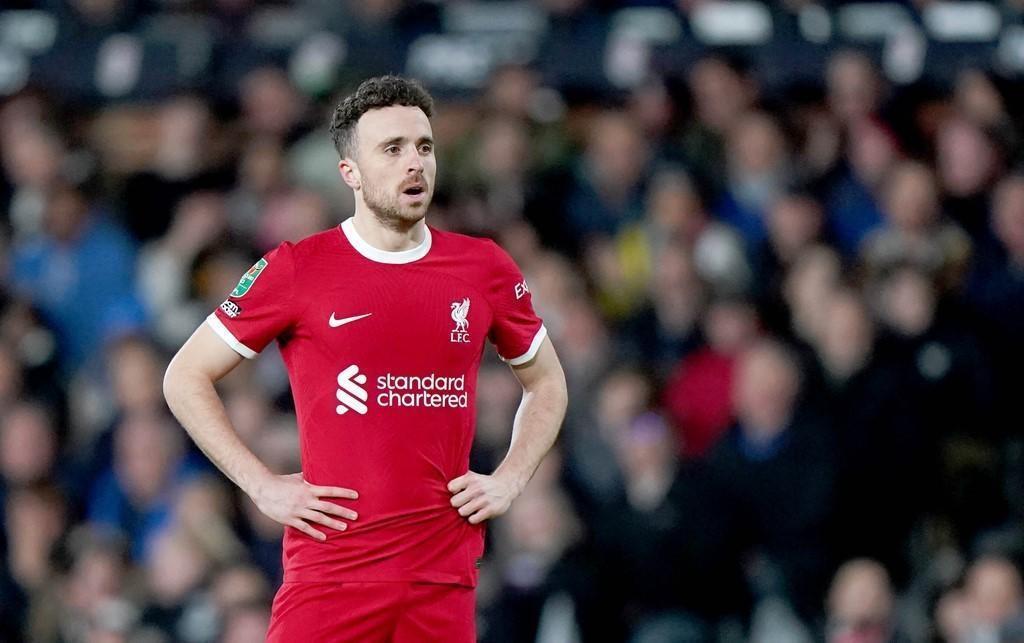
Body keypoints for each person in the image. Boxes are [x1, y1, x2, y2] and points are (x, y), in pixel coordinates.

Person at [162, 75, 568, 642]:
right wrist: (260, 485)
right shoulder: (298, 268)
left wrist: (510, 479)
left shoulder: (484, 268)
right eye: (392, 149)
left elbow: (547, 382)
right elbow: (184, 376)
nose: (415, 163)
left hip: (442, 582)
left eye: (424, 147)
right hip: (331, 578)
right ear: (349, 172)